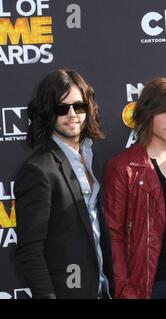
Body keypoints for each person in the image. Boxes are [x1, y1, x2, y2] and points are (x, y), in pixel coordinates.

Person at [103, 77, 166, 299]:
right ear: (148, 115)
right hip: (149, 288)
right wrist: (124, 290)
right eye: (163, 111)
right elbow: (113, 235)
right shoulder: (122, 167)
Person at [14, 69, 113, 299]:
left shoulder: (90, 157)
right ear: (49, 113)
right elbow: (30, 251)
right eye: (62, 108)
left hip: (102, 289)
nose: (72, 114)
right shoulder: (38, 170)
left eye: (78, 106)